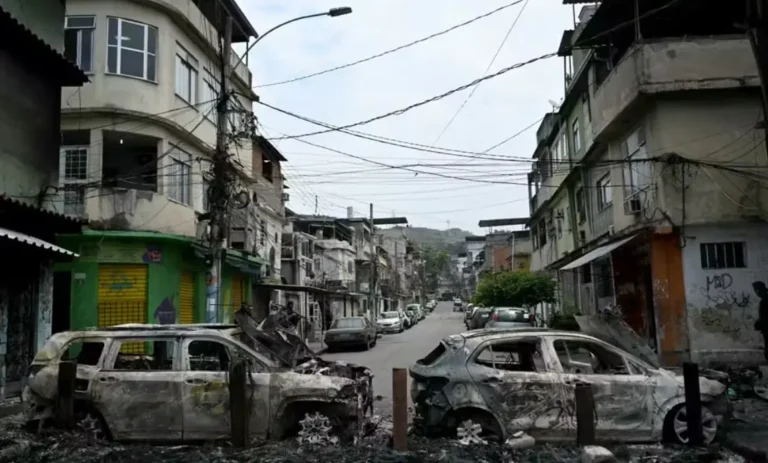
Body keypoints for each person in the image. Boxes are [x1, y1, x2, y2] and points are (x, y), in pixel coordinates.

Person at [753, 281, 768, 362]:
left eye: (757, 290)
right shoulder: (764, 300)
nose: (756, 292)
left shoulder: (765, 301)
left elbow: (765, 318)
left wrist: (759, 323)